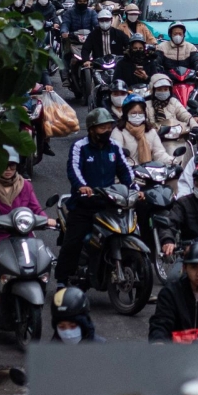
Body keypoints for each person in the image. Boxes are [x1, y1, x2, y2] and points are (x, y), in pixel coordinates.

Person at [56, 108, 134, 287]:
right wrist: (82, 186)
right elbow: (73, 169)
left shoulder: (114, 147)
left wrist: (135, 189)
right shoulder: (80, 147)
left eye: (109, 127)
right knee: (73, 242)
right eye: (102, 127)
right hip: (84, 205)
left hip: (109, 203)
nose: (107, 130)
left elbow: (125, 171)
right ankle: (62, 279)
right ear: (91, 129)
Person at [0, 146, 52, 310]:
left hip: (22, 234)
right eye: (4, 166)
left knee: (39, 257)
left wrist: (46, 220)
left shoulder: (25, 186)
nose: (8, 170)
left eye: (12, 166)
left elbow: (35, 208)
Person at [110, 94, 177, 167]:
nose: (137, 116)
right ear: (126, 114)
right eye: (133, 113)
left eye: (140, 113)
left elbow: (159, 153)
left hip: (149, 170)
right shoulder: (118, 132)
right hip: (129, 170)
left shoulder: (150, 131)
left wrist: (171, 161)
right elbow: (117, 156)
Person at [146, 73, 198, 158]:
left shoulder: (174, 102)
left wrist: (194, 126)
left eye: (165, 89)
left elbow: (185, 115)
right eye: (159, 89)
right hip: (153, 141)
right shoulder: (146, 105)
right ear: (153, 90)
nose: (163, 92)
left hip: (175, 139)